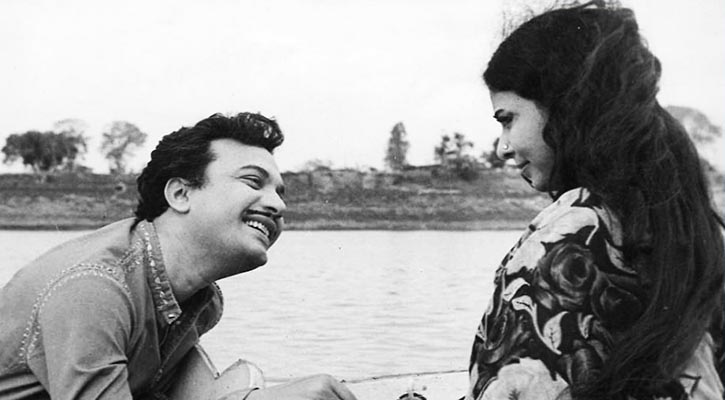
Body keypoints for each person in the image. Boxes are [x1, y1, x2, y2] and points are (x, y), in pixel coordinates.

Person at [0, 112, 358, 400]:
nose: (278, 205)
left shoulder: (202, 300)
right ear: (181, 194)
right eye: (253, 181)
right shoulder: (95, 288)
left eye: (280, 192)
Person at [465, 2, 724, 399]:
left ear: (562, 106)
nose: (503, 147)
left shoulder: (574, 231)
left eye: (508, 119)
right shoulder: (677, 222)